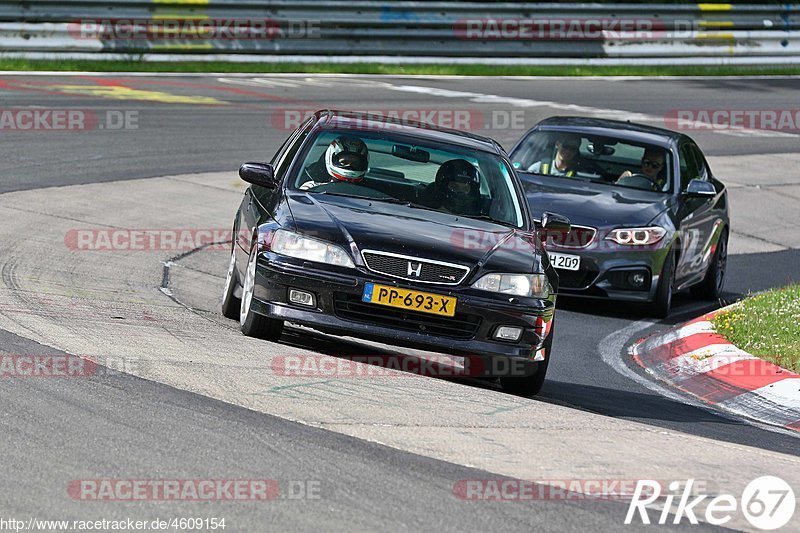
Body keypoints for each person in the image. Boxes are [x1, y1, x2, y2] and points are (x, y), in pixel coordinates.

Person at [299, 135, 369, 189]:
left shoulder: (371, 194)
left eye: (355, 163)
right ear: (330, 158)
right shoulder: (310, 188)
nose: (349, 166)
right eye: (344, 162)